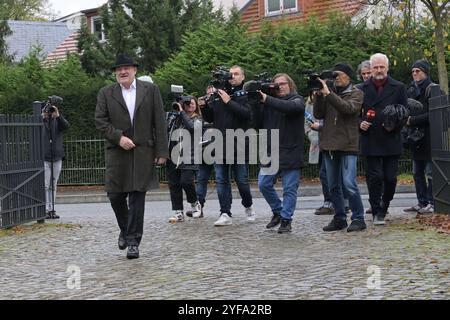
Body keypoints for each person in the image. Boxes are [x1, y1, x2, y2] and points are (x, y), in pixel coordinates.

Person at [95, 53, 169, 259]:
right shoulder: (106, 93)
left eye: (126, 68)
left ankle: (133, 241)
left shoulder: (151, 90)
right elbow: (100, 121)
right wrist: (118, 138)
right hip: (117, 153)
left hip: (143, 152)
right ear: (115, 73)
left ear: (135, 70)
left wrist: (162, 152)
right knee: (115, 195)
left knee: (137, 198)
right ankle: (126, 229)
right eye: (119, 69)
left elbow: (159, 122)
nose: (122, 71)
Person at [312, 63, 367, 232]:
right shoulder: (329, 92)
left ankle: (358, 218)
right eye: (334, 76)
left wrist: (328, 95)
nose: (336, 78)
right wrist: (319, 95)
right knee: (333, 185)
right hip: (329, 144)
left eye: (339, 75)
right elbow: (318, 114)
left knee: (349, 183)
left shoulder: (356, 93)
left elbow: (349, 109)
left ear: (349, 76)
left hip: (348, 145)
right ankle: (339, 218)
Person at [201, 65, 256, 226]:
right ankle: (225, 213)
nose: (233, 76)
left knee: (241, 181)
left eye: (236, 74)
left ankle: (248, 206)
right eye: (230, 74)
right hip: (220, 143)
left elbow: (247, 114)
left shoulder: (246, 94)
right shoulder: (218, 93)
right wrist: (204, 107)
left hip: (239, 143)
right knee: (221, 180)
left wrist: (229, 101)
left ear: (243, 77)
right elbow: (211, 117)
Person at [359, 53, 408, 225]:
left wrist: (395, 123)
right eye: (375, 67)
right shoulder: (361, 89)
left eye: (382, 67)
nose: (379, 70)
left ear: (387, 68)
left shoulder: (399, 87)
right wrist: (360, 122)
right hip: (370, 139)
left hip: (391, 138)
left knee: (390, 178)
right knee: (374, 178)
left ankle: (384, 205)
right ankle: (376, 211)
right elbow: (353, 113)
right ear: (370, 69)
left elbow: (405, 112)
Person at [254, 73, 305, 234]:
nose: (280, 87)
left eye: (283, 84)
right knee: (263, 184)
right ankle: (277, 210)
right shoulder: (268, 103)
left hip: (291, 151)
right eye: (277, 85)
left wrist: (267, 100)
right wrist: (256, 103)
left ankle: (286, 219)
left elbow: (292, 108)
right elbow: (257, 123)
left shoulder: (297, 100)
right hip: (271, 152)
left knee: (289, 189)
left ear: (290, 85)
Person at [404, 59, 439, 215]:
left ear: (425, 72)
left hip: (430, 137)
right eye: (413, 71)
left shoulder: (433, 89)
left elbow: (436, 113)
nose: (415, 73)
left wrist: (412, 120)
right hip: (415, 137)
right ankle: (421, 201)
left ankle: (432, 202)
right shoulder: (410, 89)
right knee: (417, 172)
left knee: (430, 172)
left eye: (418, 71)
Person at [166, 96, 203, 223]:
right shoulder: (175, 118)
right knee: (174, 184)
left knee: (186, 182)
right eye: (188, 103)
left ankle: (194, 204)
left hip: (190, 155)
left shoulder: (198, 119)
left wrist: (182, 112)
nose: (191, 105)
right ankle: (178, 212)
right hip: (173, 155)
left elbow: (192, 128)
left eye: (193, 103)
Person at [42, 103, 69, 219]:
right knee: (45, 185)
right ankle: (45, 209)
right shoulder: (40, 122)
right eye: (48, 110)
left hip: (57, 157)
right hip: (44, 157)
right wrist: (42, 117)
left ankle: (52, 209)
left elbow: (66, 126)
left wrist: (58, 115)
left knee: (53, 184)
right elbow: (34, 127)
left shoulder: (57, 121)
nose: (49, 112)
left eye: (50, 110)